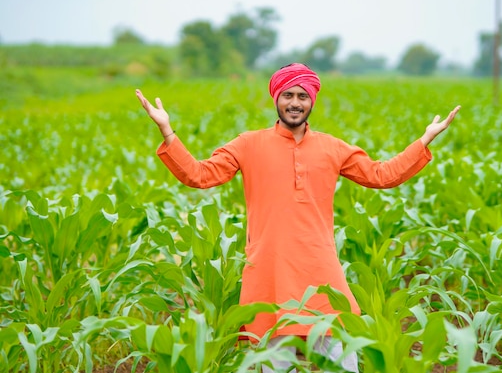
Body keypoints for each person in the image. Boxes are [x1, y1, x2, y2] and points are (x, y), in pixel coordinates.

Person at [136, 63, 460, 372]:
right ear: (276, 98)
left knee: (340, 358)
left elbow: (381, 174)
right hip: (269, 272)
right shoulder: (248, 144)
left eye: (302, 96)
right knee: (275, 359)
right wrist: (167, 131)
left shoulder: (332, 148)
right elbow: (199, 175)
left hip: (320, 269)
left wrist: (424, 140)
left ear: (312, 101)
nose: (295, 103)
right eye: (288, 95)